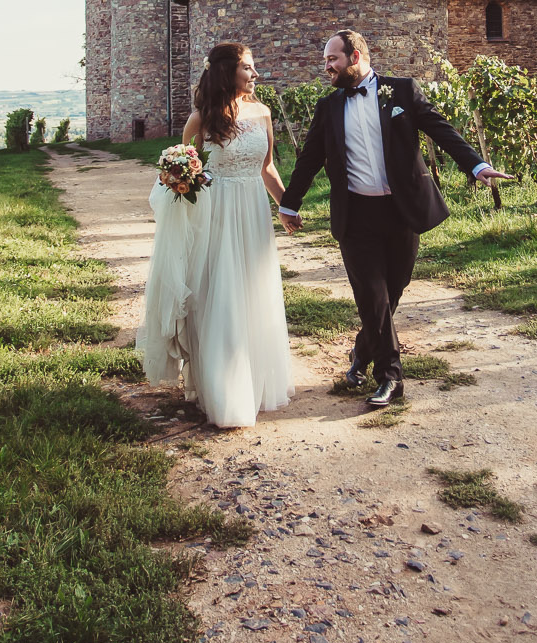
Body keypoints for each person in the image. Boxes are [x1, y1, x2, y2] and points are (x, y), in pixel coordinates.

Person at [278, 30, 513, 408]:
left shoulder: (402, 92)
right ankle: (390, 376)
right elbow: (309, 160)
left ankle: (361, 350)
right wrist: (290, 204)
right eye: (326, 61)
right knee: (372, 295)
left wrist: (476, 165)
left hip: (401, 211)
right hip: (355, 215)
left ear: (355, 57)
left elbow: (442, 131)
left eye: (332, 59)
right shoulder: (328, 107)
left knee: (393, 291)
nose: (326, 67)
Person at [136, 42, 295, 428]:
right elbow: (181, 174)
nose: (255, 74)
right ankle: (222, 392)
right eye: (247, 67)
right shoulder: (201, 120)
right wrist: (178, 176)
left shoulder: (263, 113)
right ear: (227, 72)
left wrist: (286, 206)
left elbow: (268, 168)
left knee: (252, 294)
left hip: (253, 212)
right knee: (218, 295)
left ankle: (255, 382)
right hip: (215, 215)